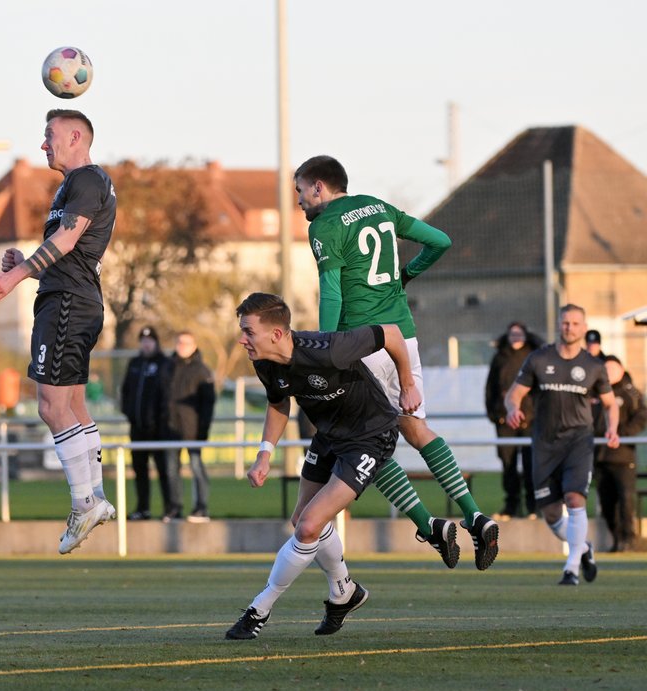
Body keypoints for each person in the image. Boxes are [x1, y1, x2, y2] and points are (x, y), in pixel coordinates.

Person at [294, 155, 498, 570]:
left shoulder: (325, 225)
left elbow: (331, 292)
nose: (298, 200)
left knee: (367, 443)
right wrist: (405, 276)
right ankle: (475, 514)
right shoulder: (379, 207)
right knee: (416, 429)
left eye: (299, 190)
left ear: (318, 186)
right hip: (403, 336)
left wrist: (326, 349)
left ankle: (428, 524)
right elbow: (440, 240)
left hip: (361, 343)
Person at [225, 292, 422, 640]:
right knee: (302, 520)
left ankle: (259, 608)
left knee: (307, 527)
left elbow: (391, 333)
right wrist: (264, 453)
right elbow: (278, 403)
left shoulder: (329, 349)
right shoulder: (265, 362)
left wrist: (408, 385)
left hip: (369, 436)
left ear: (276, 334)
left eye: (248, 331)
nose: (242, 339)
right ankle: (344, 591)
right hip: (329, 437)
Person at [0, 108, 117, 555]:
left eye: (50, 135)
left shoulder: (88, 179)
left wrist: (15, 275)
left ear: (76, 137)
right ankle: (95, 496)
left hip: (67, 305)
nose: (43, 144)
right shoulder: (75, 185)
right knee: (74, 404)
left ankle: (84, 504)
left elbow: (67, 239)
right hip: (74, 298)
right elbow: (70, 257)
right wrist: (29, 266)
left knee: (50, 405)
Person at [505, 303, 620, 585]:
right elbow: (513, 395)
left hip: (578, 441)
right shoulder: (538, 359)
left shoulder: (594, 366)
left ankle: (571, 568)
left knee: (575, 498)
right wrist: (512, 409)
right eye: (565, 322)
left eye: (575, 323)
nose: (569, 328)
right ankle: (584, 547)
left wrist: (612, 428)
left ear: (584, 327)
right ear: (559, 325)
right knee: (552, 514)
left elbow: (610, 404)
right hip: (545, 444)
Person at [485, 322, 543, 519]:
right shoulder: (500, 357)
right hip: (504, 420)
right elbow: (490, 388)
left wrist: (533, 413)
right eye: (512, 334)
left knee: (530, 463)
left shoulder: (533, 356)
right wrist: (495, 414)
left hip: (529, 420)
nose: (516, 338)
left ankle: (533, 506)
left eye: (519, 334)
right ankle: (511, 506)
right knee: (508, 463)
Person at [120, 326, 177, 520]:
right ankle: (142, 508)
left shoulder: (164, 364)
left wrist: (161, 419)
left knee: (163, 470)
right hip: (137, 428)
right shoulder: (135, 363)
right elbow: (126, 391)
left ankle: (170, 508)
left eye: (149, 341)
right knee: (139, 469)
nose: (146, 344)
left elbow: (167, 395)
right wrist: (129, 413)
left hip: (159, 429)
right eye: (143, 341)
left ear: (156, 342)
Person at [593, 355, 647, 552]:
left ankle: (628, 539)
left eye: (612, 369)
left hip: (623, 457)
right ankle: (616, 539)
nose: (608, 373)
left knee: (626, 499)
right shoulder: (595, 392)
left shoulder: (630, 393)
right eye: (605, 369)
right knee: (606, 501)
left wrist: (622, 434)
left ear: (621, 370)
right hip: (601, 456)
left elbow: (642, 416)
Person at [162, 331, 216, 522]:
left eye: (186, 343)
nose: (182, 346)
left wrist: (203, 430)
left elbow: (208, 404)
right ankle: (174, 508)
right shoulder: (168, 367)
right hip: (170, 429)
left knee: (196, 467)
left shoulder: (201, 370)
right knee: (171, 470)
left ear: (194, 346)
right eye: (179, 342)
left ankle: (201, 508)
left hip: (192, 431)